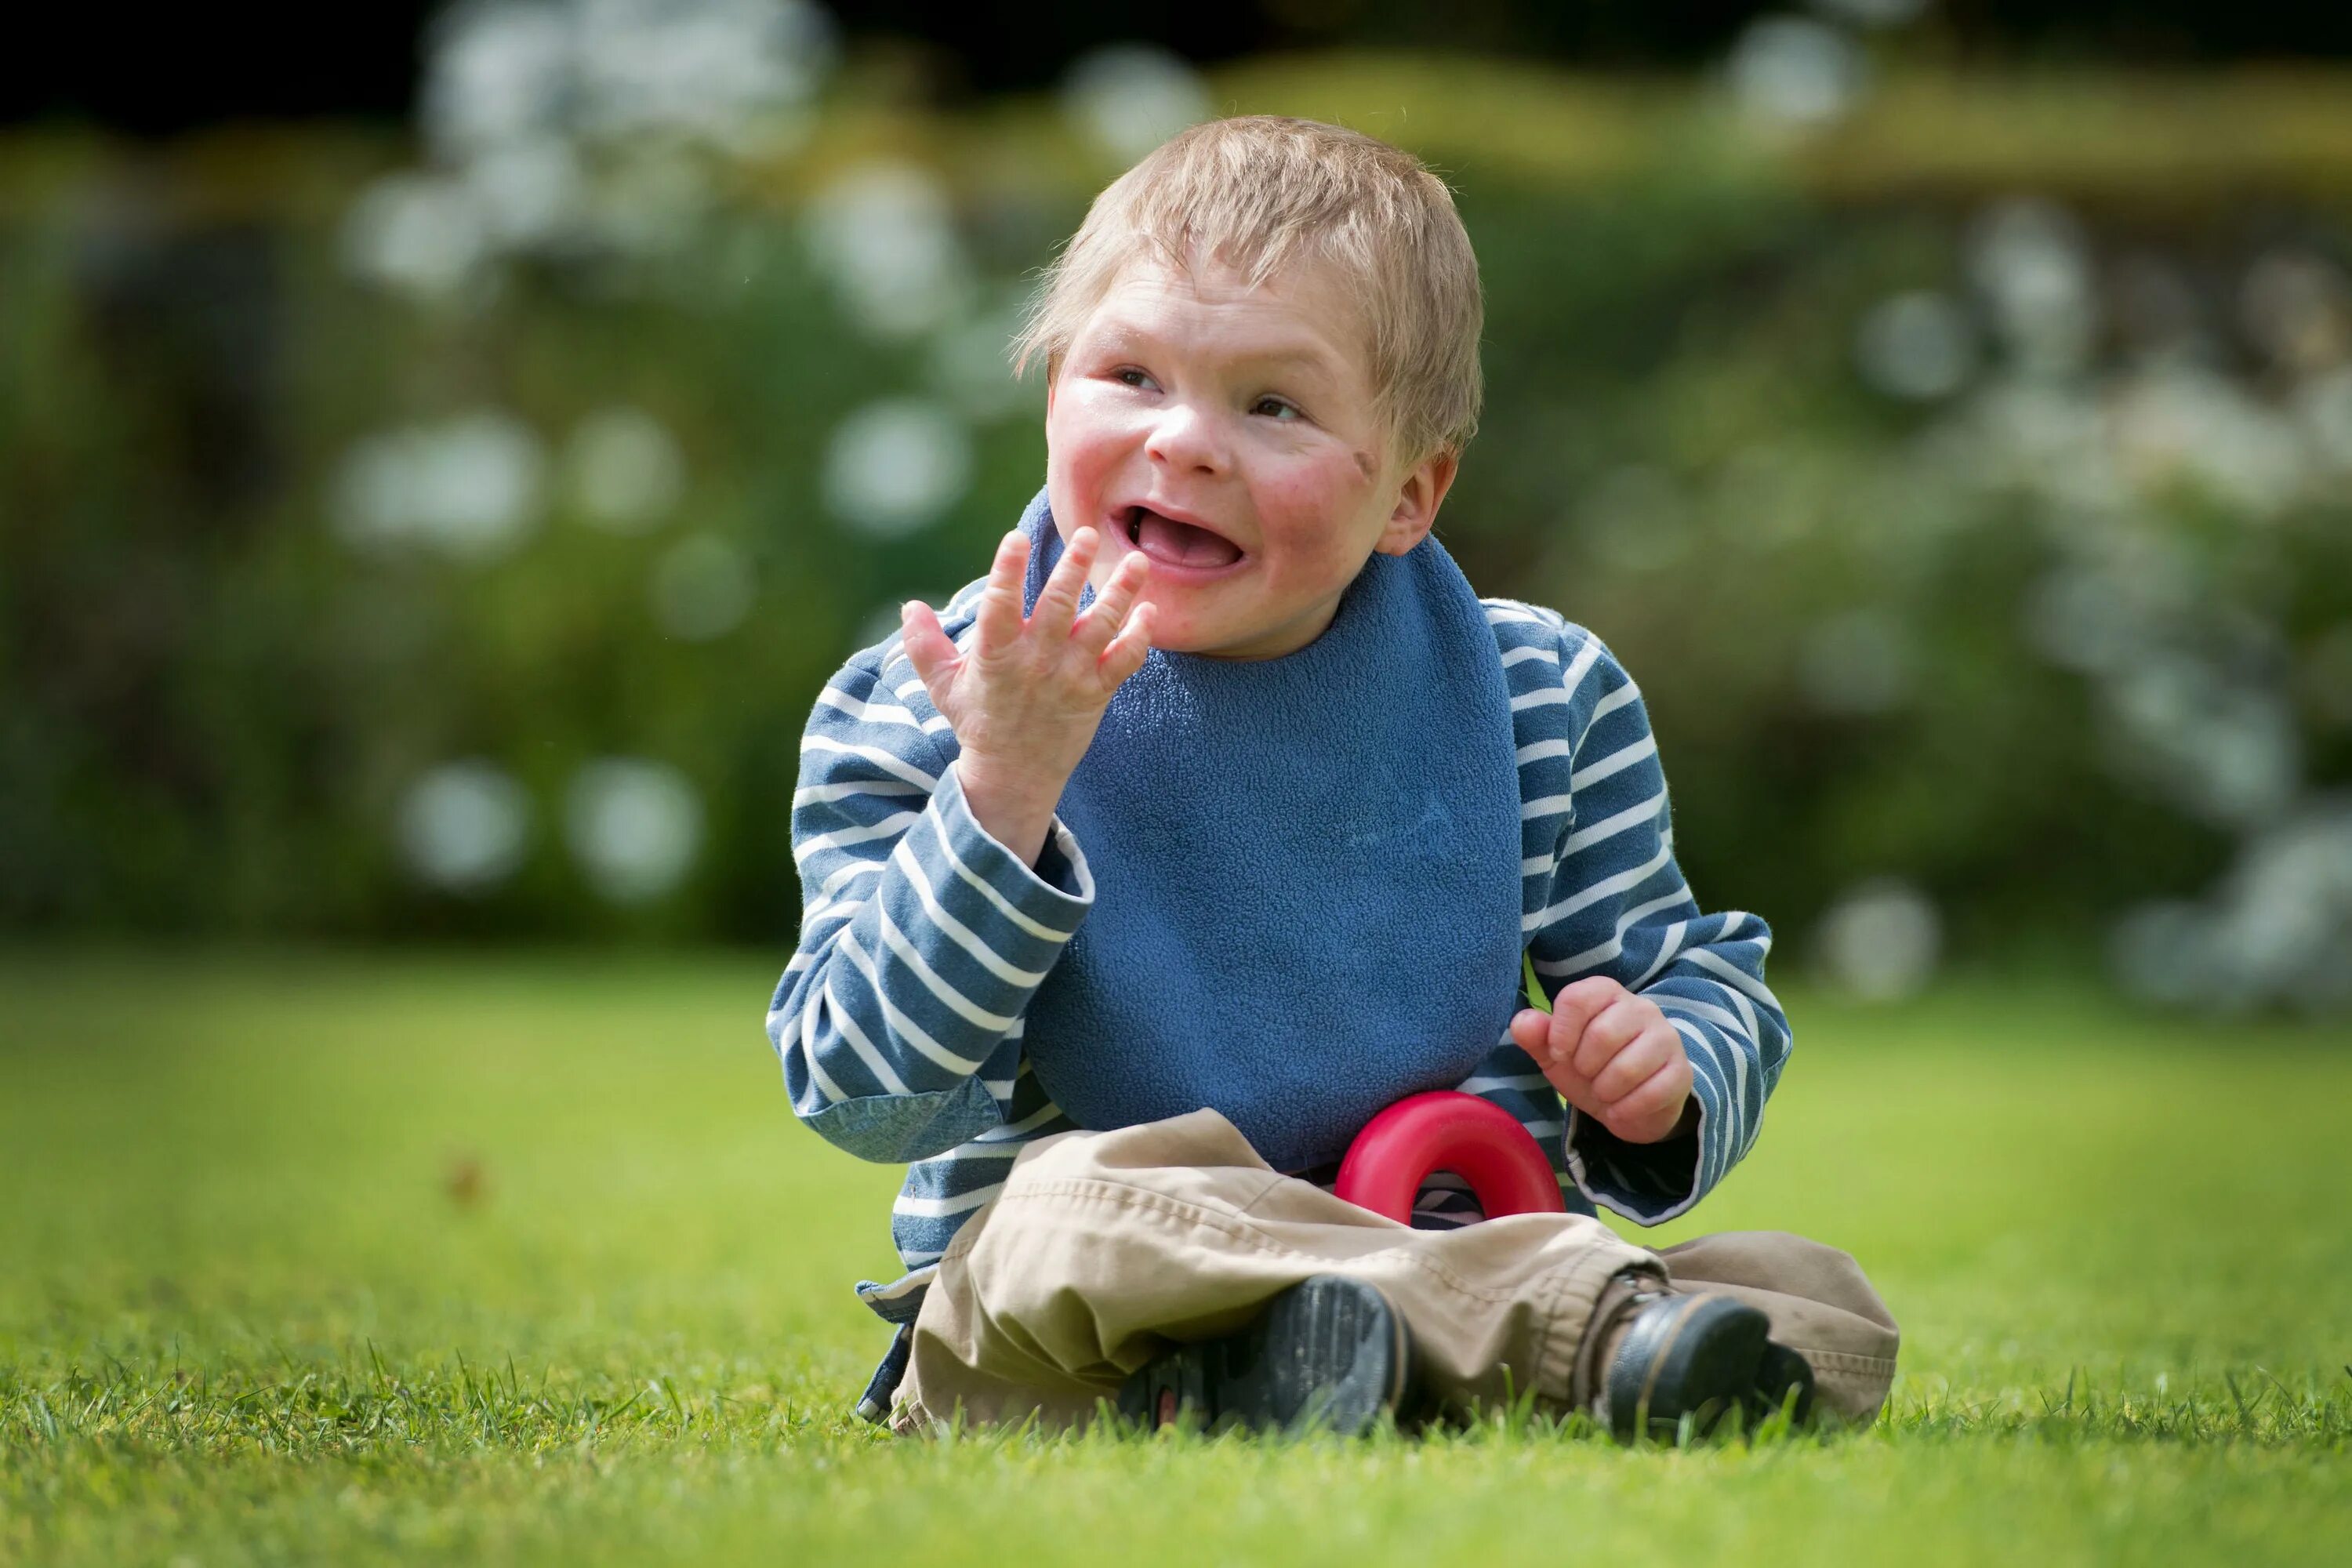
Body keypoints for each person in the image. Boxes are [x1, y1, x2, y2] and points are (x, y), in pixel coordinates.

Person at [768, 115, 1898, 1439]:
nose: (1185, 442)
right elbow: (861, 1089)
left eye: (1273, 405)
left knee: (1817, 1294)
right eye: (1132, 374)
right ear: (1051, 386)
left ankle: (1347, 1369)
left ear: (1411, 496)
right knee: (1063, 1218)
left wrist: (1662, 1068)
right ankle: (1562, 1347)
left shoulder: (1541, 696)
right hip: (1083, 1320)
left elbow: (1695, 973)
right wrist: (1000, 796)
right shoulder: (928, 698)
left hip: (1459, 1222)